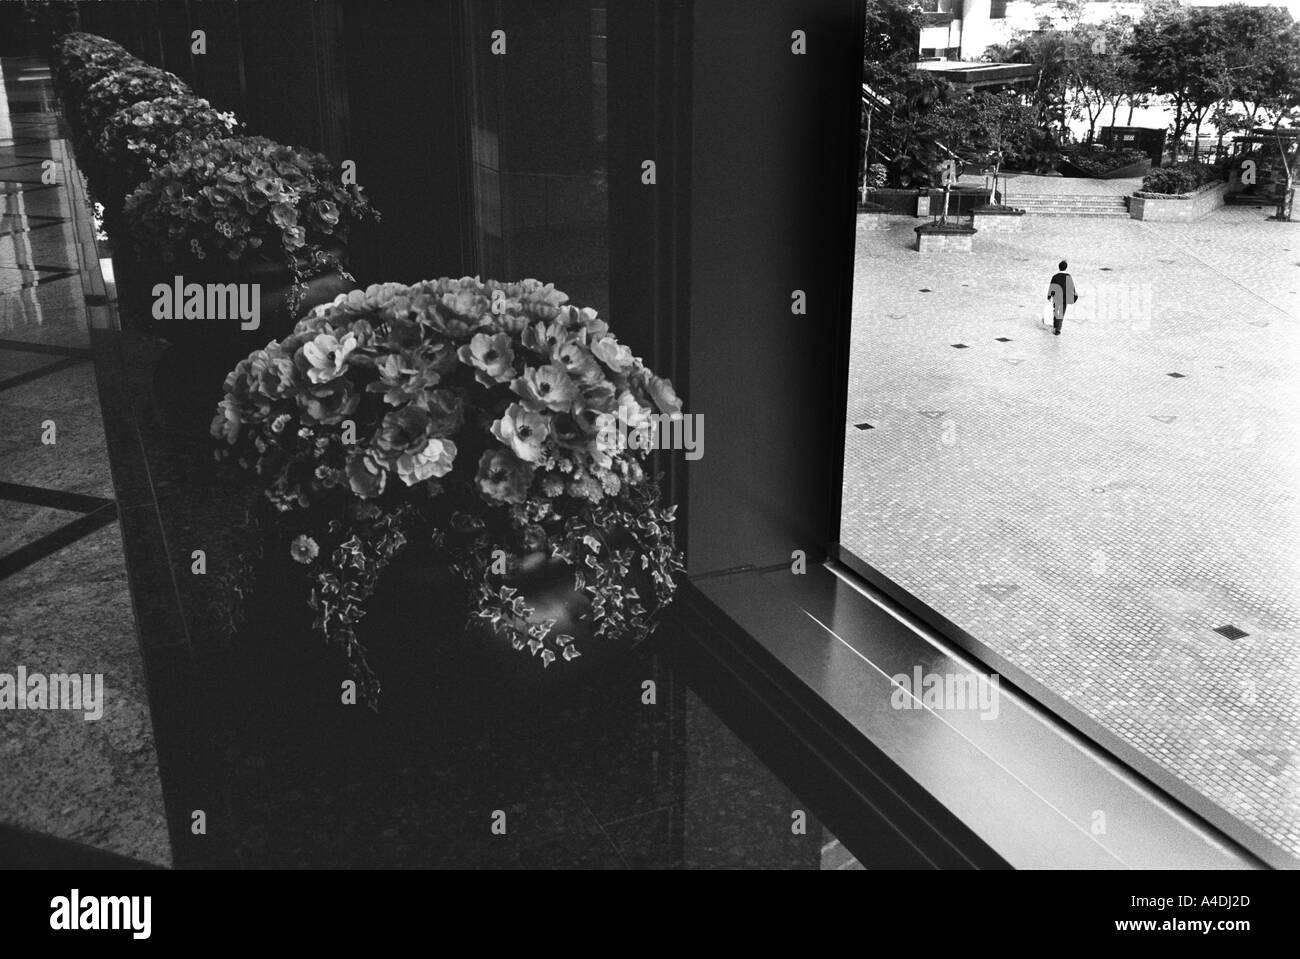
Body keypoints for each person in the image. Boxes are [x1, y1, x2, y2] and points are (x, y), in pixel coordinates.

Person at [1048, 260, 1078, 336]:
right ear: (1066, 267)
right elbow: (1071, 287)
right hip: (1065, 298)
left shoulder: (1055, 276)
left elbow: (1052, 287)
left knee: (1056, 311)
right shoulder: (1068, 276)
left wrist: (1049, 296)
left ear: (1059, 267)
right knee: (1061, 313)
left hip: (1056, 298)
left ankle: (1055, 326)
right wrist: (1075, 294)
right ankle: (1058, 329)